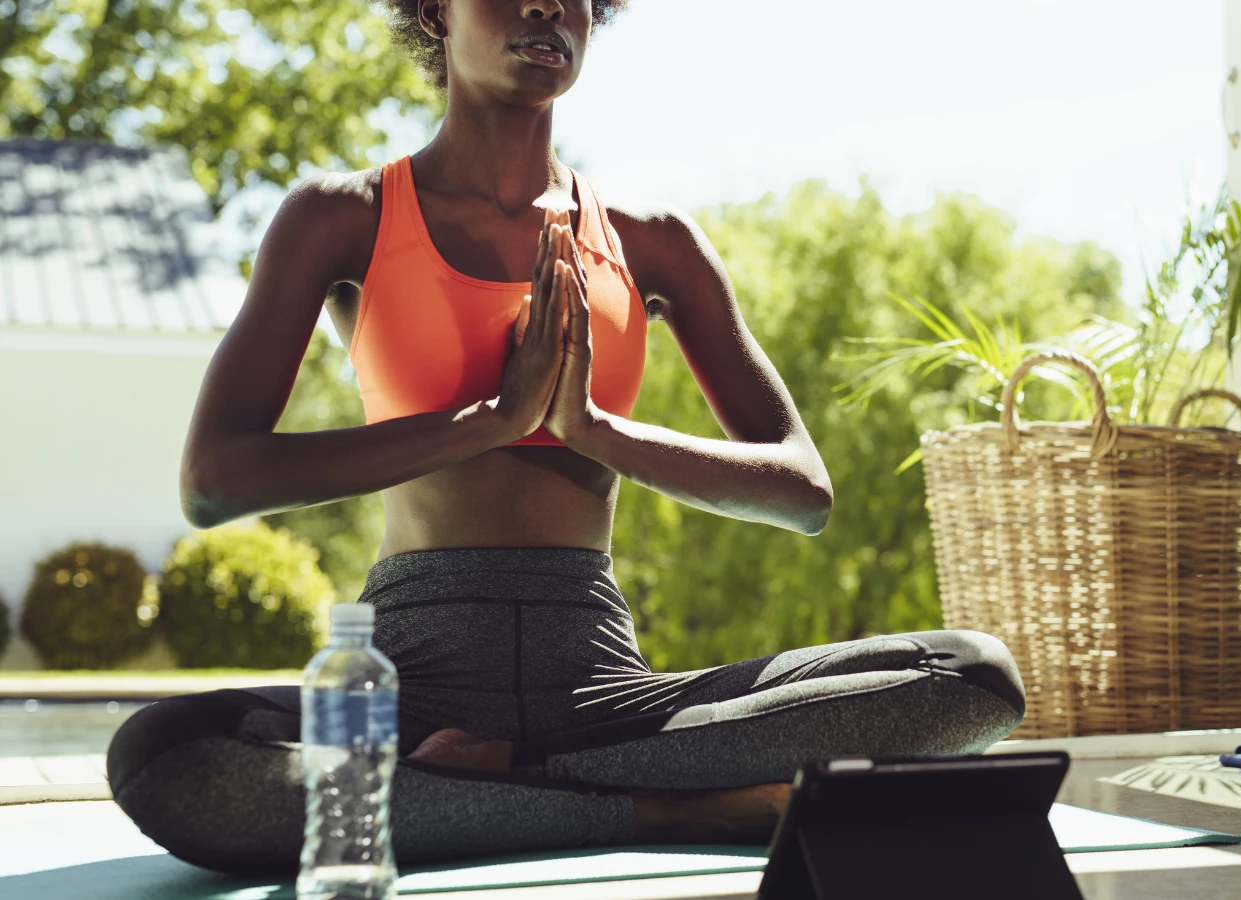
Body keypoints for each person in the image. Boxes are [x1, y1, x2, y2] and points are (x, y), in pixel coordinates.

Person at [106, 0, 1026, 876]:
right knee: (169, 756)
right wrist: (490, 422)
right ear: (435, 11)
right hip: (411, 673)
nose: (547, 9)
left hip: (601, 689)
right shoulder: (339, 217)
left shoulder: (654, 243)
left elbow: (802, 491)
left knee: (971, 680)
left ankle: (502, 775)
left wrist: (592, 430)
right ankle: (661, 809)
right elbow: (216, 479)